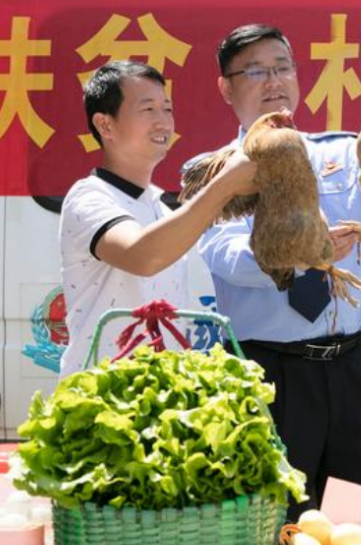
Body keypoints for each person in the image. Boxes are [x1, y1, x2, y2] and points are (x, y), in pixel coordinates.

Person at [188, 24, 361, 511]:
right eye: (255, 71)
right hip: (270, 376)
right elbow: (224, 257)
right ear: (226, 88)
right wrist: (297, 255)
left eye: (282, 67)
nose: (273, 81)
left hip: (355, 369)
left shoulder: (339, 152)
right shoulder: (216, 170)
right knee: (274, 524)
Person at [59, 60, 256, 377]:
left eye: (167, 109)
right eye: (148, 109)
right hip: (101, 390)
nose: (164, 122)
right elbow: (143, 256)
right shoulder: (89, 197)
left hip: (161, 389)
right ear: (105, 125)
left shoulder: (161, 207)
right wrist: (225, 184)